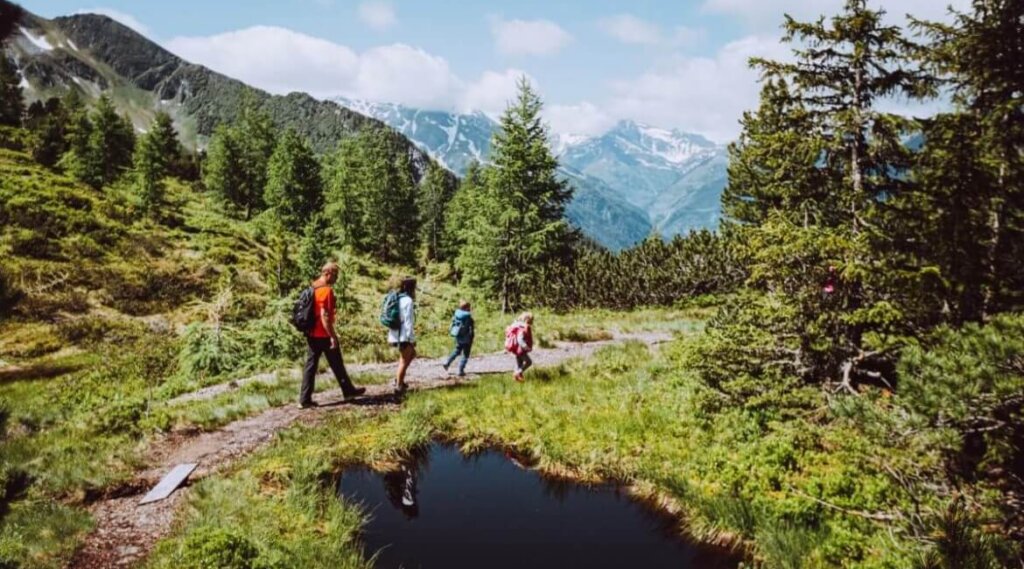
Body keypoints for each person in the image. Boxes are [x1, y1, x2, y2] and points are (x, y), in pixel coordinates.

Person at [299, 262, 365, 408]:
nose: (336, 278)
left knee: (310, 366)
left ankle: (304, 400)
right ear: (327, 273)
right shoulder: (326, 291)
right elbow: (324, 316)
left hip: (311, 334)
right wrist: (333, 336)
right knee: (337, 363)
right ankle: (348, 392)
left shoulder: (313, 286)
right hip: (323, 334)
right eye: (335, 275)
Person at [388, 276, 417, 393]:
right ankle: (398, 385)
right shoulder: (408, 300)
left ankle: (399, 379)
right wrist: (411, 338)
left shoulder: (397, 298)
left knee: (410, 355)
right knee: (405, 360)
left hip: (395, 334)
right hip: (404, 336)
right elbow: (408, 321)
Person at [442, 300, 475, 377]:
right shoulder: (468, 316)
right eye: (469, 307)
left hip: (458, 336)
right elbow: (471, 328)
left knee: (457, 351)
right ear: (467, 308)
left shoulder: (456, 314)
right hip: (467, 338)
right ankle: (461, 370)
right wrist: (472, 337)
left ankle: (447, 363)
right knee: (465, 354)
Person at [506, 312, 534, 382]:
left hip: (515, 348)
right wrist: (526, 347)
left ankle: (517, 380)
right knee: (529, 362)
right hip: (520, 349)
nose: (531, 322)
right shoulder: (522, 327)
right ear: (527, 319)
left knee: (519, 364)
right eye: (531, 320)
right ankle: (517, 373)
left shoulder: (515, 325)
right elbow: (520, 339)